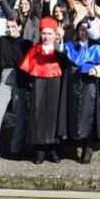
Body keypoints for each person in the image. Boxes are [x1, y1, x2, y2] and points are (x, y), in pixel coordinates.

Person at [0, 16, 32, 162]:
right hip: (6, 76)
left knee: (20, 115)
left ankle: (16, 149)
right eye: (9, 27)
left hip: (21, 78)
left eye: (14, 26)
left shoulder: (26, 43)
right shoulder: (3, 40)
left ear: (20, 27)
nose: (11, 29)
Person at [18, 17, 67, 164]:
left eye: (49, 33)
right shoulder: (35, 49)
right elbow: (25, 67)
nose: (46, 37)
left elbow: (66, 61)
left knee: (53, 114)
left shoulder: (59, 49)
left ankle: (52, 149)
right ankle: (39, 150)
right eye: (44, 33)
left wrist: (59, 43)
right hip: (38, 82)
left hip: (55, 82)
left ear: (54, 34)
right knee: (38, 114)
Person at [63, 18, 100, 164]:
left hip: (90, 85)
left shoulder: (97, 48)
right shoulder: (69, 47)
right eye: (81, 29)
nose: (84, 32)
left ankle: (88, 146)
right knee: (73, 112)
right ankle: (75, 144)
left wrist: (97, 69)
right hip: (73, 84)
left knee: (89, 113)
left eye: (86, 30)